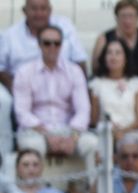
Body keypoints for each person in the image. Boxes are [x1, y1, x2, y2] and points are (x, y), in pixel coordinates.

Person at [13, 26, 98, 174]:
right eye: (47, 43)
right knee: (32, 147)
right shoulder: (25, 71)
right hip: (36, 131)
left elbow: (83, 110)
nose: (52, 47)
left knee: (93, 144)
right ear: (39, 44)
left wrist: (73, 137)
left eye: (56, 43)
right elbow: (22, 112)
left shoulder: (74, 71)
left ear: (61, 45)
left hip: (68, 129)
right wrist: (48, 135)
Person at [89, 37, 138, 141]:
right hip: (105, 134)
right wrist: (111, 131)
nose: (113, 57)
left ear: (126, 58)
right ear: (104, 57)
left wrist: (123, 132)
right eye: (109, 53)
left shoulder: (137, 83)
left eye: (118, 53)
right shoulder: (96, 84)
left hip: (131, 134)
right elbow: (94, 119)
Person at [90, 0, 138, 81]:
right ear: (116, 18)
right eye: (123, 16)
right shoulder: (104, 39)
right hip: (112, 87)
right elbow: (96, 70)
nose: (127, 21)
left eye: (131, 16)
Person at [2, 146, 75, 193]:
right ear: (18, 169)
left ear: (41, 168)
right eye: (25, 165)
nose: (31, 169)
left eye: (35, 164)